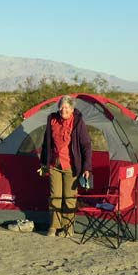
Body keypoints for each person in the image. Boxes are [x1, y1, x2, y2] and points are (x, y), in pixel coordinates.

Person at [39, 95, 92, 237]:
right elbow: (46, 143)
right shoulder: (52, 120)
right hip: (54, 165)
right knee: (54, 196)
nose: (64, 109)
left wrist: (86, 168)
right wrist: (43, 163)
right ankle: (54, 226)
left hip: (71, 166)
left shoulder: (78, 122)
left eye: (67, 107)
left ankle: (68, 228)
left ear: (72, 109)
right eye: (62, 106)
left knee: (69, 197)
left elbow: (86, 145)